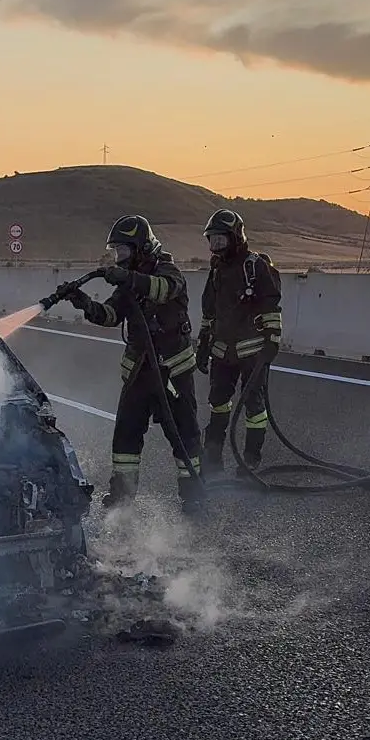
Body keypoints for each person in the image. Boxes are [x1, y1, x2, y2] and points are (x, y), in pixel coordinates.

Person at [57, 215, 202, 512]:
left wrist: (128, 278)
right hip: (139, 372)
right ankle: (122, 499)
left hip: (172, 372)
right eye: (116, 252)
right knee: (125, 438)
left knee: (183, 436)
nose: (119, 258)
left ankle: (194, 497)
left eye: (124, 251)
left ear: (142, 248)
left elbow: (164, 289)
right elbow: (110, 315)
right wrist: (83, 302)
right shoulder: (128, 283)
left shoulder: (167, 271)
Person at [195, 209, 282, 475]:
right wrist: (202, 343)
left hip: (253, 352)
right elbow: (209, 310)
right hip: (222, 352)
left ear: (235, 237)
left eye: (220, 240)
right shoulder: (216, 270)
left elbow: (271, 303)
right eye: (211, 240)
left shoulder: (254, 266)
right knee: (218, 402)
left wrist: (272, 341)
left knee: (254, 407)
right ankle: (212, 457)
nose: (215, 246)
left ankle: (250, 460)